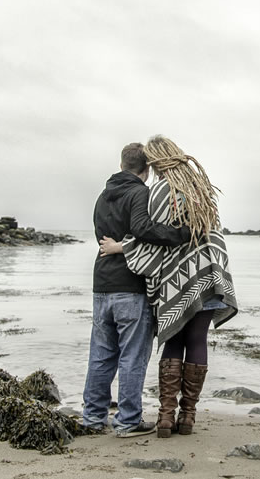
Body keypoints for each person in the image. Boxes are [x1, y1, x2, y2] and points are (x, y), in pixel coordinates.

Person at [99, 135, 238, 438]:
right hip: (209, 273)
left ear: (155, 162)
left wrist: (120, 247)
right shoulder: (202, 189)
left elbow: (151, 238)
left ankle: (165, 417)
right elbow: (211, 232)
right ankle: (188, 417)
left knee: (174, 340)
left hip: (176, 280)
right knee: (198, 339)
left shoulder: (160, 192)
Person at [84, 142, 193, 437]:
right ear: (146, 169)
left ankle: (93, 417)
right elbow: (143, 228)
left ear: (121, 165)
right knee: (133, 356)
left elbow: (102, 237)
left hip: (101, 283)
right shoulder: (140, 192)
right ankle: (128, 420)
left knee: (101, 354)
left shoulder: (102, 196)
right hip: (130, 285)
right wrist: (181, 234)